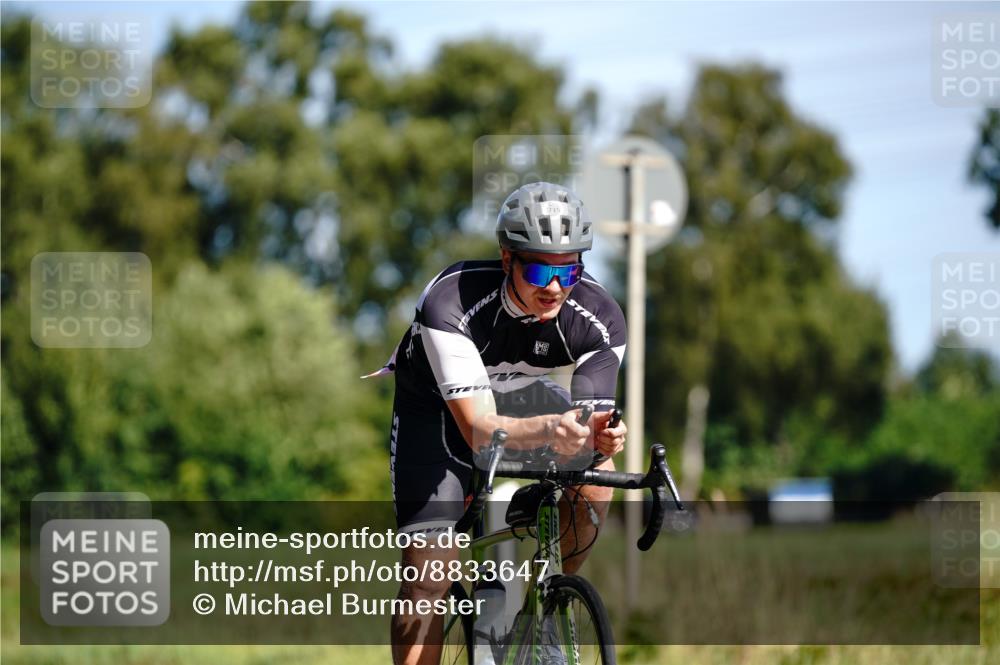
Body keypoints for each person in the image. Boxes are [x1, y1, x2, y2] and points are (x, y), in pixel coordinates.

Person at [374, 181, 628, 665]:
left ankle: (548, 605)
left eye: (568, 269)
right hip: (439, 412)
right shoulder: (450, 300)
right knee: (429, 575)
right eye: (537, 269)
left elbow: (591, 414)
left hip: (525, 397)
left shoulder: (599, 317)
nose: (553, 287)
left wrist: (601, 434)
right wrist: (554, 431)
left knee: (596, 475)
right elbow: (477, 429)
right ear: (506, 258)